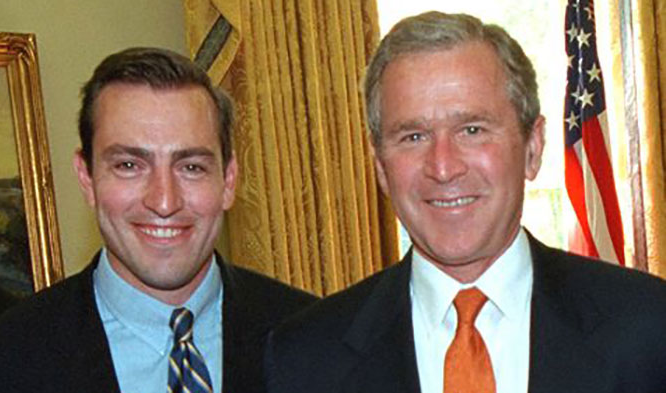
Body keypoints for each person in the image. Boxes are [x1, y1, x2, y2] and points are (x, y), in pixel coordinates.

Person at [265, 11, 666, 393]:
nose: (443, 167)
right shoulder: (305, 358)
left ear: (533, 147)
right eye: (413, 137)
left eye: (472, 130)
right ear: (381, 169)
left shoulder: (649, 329)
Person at [0, 47, 317, 393]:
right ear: (86, 178)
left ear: (228, 180)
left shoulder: (318, 340)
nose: (164, 201)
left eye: (191, 167)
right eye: (129, 166)